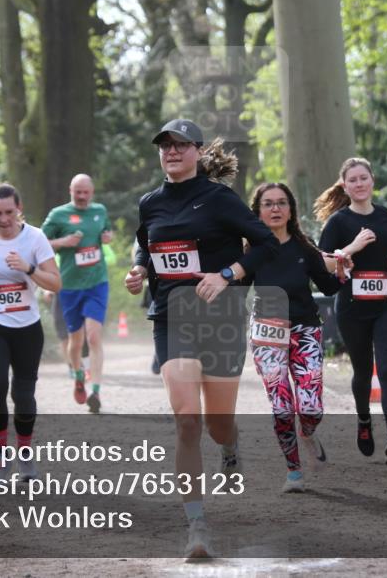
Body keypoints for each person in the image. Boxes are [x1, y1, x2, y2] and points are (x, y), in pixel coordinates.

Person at [124, 119, 279, 559]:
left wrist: (229, 273)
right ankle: (197, 524)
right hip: (172, 318)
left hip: (222, 320)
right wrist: (139, 272)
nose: (170, 152)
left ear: (196, 151)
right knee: (187, 420)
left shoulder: (219, 199)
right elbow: (146, 248)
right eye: (164, 147)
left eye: (179, 145)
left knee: (216, 425)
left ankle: (230, 444)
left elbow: (266, 244)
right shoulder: (150, 203)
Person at [245, 182, 342, 493]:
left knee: (311, 407)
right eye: (268, 203)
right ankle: (294, 471)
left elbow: (328, 287)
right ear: (258, 212)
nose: (275, 209)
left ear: (291, 210)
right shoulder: (252, 251)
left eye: (282, 203)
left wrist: (343, 271)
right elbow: (233, 289)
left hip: (305, 330)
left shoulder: (304, 246)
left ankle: (308, 432)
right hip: (267, 333)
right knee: (282, 406)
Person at [0, 183, 61, 481]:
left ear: (19, 210)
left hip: (27, 328)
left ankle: (26, 456)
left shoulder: (35, 238)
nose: (3, 219)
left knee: (24, 394)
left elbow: (55, 284)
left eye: (8, 212)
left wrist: (28, 269)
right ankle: (1, 459)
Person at [316, 157, 387, 467]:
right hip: (352, 307)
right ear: (345, 185)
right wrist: (352, 248)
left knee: (386, 371)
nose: (358, 184)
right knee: (361, 370)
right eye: (352, 180)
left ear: (372, 181)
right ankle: (364, 420)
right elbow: (324, 262)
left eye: (363, 178)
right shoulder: (339, 222)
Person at [42, 174, 113, 413]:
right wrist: (63, 242)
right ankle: (78, 374)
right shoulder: (58, 215)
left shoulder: (100, 211)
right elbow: (38, 242)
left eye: (86, 192)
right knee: (75, 341)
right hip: (70, 286)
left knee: (93, 337)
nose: (82, 197)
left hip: (97, 283)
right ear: (70, 191)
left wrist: (107, 237)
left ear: (92, 192)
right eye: (77, 192)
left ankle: (96, 391)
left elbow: (107, 232)